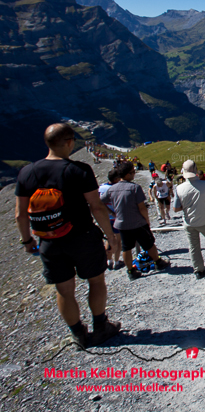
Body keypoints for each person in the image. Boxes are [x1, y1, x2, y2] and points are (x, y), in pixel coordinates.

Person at [15, 123, 121, 348]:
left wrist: (27, 240)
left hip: (49, 241)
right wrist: (110, 236)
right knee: (96, 281)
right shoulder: (79, 170)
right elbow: (97, 207)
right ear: (69, 142)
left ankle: (78, 334)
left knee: (63, 290)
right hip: (83, 237)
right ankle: (101, 327)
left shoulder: (26, 172)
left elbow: (20, 214)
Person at [101, 161, 171, 280]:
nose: (134, 174)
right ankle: (158, 262)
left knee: (126, 248)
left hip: (122, 223)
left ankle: (130, 271)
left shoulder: (111, 189)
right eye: (133, 172)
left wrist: (112, 213)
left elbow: (101, 202)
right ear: (127, 174)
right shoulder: (134, 187)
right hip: (138, 222)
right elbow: (142, 208)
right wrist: (147, 220)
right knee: (149, 244)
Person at [172, 160, 205, 279]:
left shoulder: (179, 188)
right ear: (195, 170)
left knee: (194, 246)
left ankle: (199, 270)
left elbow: (176, 208)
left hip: (189, 222)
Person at [98, 169, 123, 270]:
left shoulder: (101, 187)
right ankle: (116, 262)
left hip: (105, 218)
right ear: (116, 179)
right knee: (118, 241)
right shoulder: (116, 188)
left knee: (109, 238)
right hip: (115, 217)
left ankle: (109, 261)